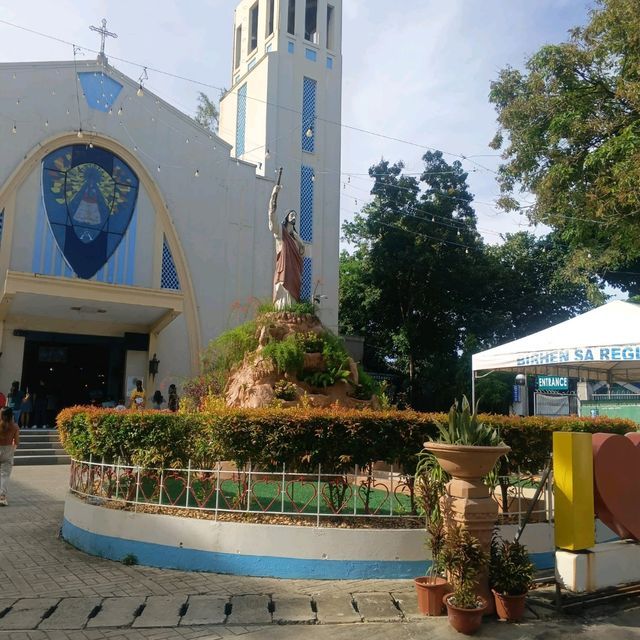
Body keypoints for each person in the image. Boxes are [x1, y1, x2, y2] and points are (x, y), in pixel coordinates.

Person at [268, 181, 306, 309]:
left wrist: (301, 244)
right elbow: (272, 217)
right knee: (283, 297)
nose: (294, 216)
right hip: (283, 270)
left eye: (295, 215)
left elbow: (301, 254)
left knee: (293, 299)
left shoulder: (296, 237)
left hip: (294, 273)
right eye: (292, 214)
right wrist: (274, 195)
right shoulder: (280, 231)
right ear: (287, 217)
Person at [0, 407, 20, 506]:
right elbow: (17, 442)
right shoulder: (15, 427)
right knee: (4, 475)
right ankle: (2, 497)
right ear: (12, 415)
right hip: (8, 451)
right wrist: (13, 449)